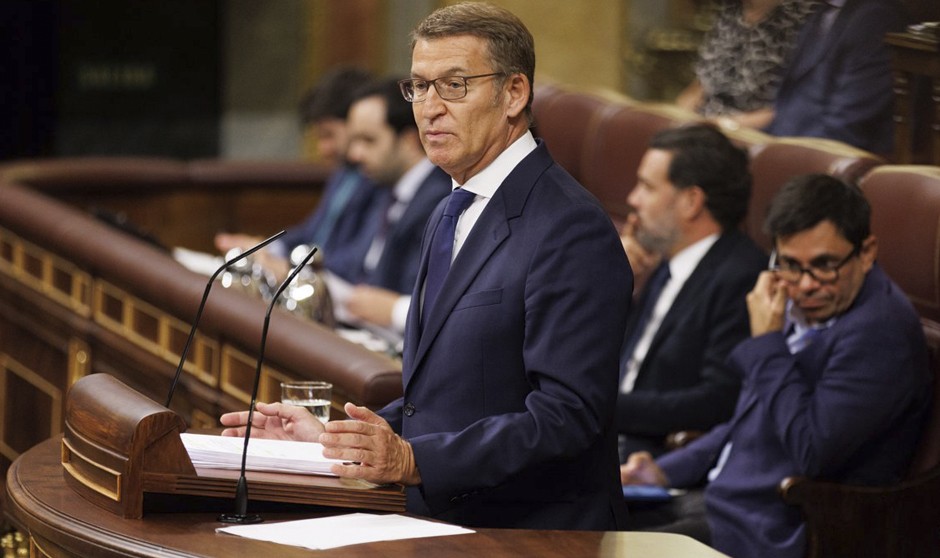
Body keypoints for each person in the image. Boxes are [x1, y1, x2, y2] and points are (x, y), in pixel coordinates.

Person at [221, 2, 633, 531]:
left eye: (454, 85)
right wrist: (338, 442)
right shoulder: (450, 206)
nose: (429, 108)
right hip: (441, 518)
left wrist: (415, 461)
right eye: (418, 86)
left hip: (530, 533)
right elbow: (439, 402)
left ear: (514, 93)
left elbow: (567, 417)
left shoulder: (569, 227)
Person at [620, 174, 931, 558]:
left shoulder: (880, 335)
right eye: (789, 264)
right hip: (721, 502)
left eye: (824, 265)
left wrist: (767, 342)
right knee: (578, 512)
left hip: (775, 530)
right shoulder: (809, 304)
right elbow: (749, 420)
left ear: (866, 253)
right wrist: (664, 471)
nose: (804, 285)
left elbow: (810, 450)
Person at [616, 124, 766, 461]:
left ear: (691, 201)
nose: (632, 199)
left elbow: (716, 400)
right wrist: (614, 283)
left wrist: (600, 408)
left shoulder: (742, 276)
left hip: (650, 458)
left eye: (647, 187)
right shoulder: (663, 262)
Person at [214, 66, 380, 282]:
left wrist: (290, 267)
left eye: (328, 135)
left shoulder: (380, 177)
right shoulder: (343, 174)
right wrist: (266, 248)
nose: (323, 149)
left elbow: (357, 258)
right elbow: (312, 231)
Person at [327, 77, 450, 335]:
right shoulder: (384, 186)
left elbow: (419, 297)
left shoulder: (439, 199)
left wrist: (388, 307)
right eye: (354, 141)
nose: (354, 155)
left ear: (407, 140)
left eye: (368, 141)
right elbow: (355, 264)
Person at [765, 0, 901, 154]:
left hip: (830, 161)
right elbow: (788, 103)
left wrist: (773, 152)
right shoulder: (824, 9)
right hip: (785, 146)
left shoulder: (876, 17)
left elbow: (846, 128)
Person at [677, 0, 817, 130]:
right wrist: (681, 122)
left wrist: (723, 126)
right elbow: (700, 86)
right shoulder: (731, 10)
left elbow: (798, 108)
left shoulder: (805, 18)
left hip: (758, 134)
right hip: (706, 127)